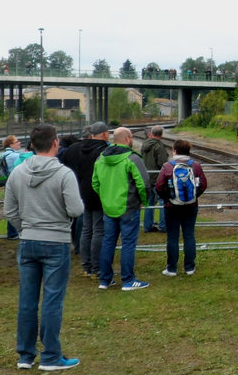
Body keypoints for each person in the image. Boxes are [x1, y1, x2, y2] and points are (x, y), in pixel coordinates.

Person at [5, 123, 84, 371]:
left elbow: (10, 210)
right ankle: (51, 356)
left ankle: (25, 355)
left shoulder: (18, 173)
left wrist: (24, 228)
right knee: (52, 299)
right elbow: (76, 209)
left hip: (28, 241)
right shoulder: (64, 174)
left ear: (31, 145)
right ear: (55, 143)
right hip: (56, 241)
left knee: (27, 300)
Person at [92, 127, 153, 292]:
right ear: (127, 139)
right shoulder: (132, 158)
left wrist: (106, 198)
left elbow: (95, 183)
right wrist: (144, 202)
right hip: (129, 207)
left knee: (108, 242)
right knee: (128, 243)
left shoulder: (100, 158)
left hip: (108, 207)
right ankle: (128, 280)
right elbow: (144, 183)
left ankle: (105, 279)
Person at [60, 121, 112, 279]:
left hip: (80, 193)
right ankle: (97, 266)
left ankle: (86, 266)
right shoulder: (104, 151)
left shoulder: (74, 148)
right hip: (98, 194)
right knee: (98, 230)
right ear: (103, 134)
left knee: (86, 230)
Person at [154, 139, 208, 277]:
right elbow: (203, 184)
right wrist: (194, 196)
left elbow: (159, 186)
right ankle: (189, 267)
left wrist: (167, 199)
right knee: (189, 235)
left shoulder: (167, 166)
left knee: (172, 237)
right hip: (191, 206)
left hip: (171, 206)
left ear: (175, 151)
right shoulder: (195, 166)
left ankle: (172, 268)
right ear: (188, 151)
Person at [140, 126, 170, 233]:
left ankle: (147, 226)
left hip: (147, 177)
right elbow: (163, 163)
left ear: (152, 133)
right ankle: (163, 226)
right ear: (161, 135)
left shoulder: (145, 145)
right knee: (162, 201)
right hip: (158, 178)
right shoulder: (159, 146)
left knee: (149, 202)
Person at [0, 135, 26, 238]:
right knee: (15, 208)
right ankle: (14, 233)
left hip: (8, 184)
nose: (19, 143)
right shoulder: (14, 156)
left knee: (12, 207)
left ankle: (12, 233)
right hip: (15, 184)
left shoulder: (5, 154)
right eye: (17, 141)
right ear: (11, 144)